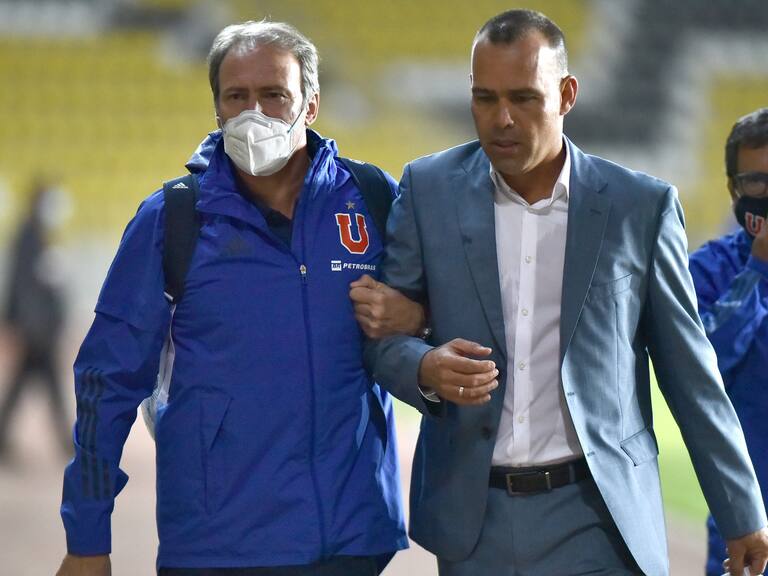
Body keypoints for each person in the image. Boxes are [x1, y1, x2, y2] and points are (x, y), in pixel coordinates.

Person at [358, 9, 768, 576]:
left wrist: (742, 511)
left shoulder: (640, 207)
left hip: (599, 519)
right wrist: (425, 367)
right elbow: (383, 341)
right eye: (485, 98)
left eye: (524, 98)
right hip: (473, 524)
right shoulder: (426, 190)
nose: (501, 119)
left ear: (567, 93)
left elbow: (690, 372)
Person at [57, 20, 422, 576]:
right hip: (220, 544)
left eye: (274, 94)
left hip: (352, 538)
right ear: (218, 110)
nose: (255, 111)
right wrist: (87, 539)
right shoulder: (172, 219)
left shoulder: (373, 198)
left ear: (312, 104)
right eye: (237, 96)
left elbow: (441, 306)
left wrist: (418, 315)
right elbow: (106, 378)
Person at [689, 108, 768, 576]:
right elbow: (703, 365)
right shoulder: (709, 270)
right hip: (746, 522)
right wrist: (757, 270)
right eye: (758, 183)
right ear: (734, 190)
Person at [0, 178, 68, 460]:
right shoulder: (29, 235)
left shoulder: (36, 234)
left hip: (37, 328)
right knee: (46, 387)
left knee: (25, 386)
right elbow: (22, 285)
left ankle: (65, 441)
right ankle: (68, 442)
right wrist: (26, 327)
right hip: (36, 330)